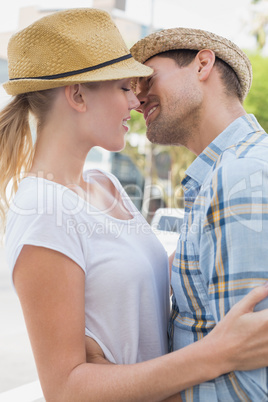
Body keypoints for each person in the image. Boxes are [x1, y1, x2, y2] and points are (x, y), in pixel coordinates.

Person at [1, 8, 268, 402]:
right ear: (77, 94)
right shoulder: (43, 207)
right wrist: (213, 353)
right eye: (125, 88)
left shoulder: (105, 184)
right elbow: (64, 389)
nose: (136, 102)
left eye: (136, 87)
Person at [130, 27, 268, 400]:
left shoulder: (240, 176)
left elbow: (254, 386)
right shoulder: (221, 175)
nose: (136, 97)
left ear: (202, 64)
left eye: (146, 78)